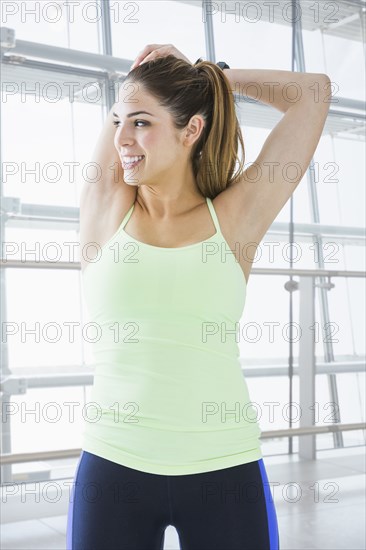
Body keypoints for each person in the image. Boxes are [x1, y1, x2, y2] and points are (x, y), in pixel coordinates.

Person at [67, 44, 330, 549]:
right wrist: (142, 85)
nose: (122, 137)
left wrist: (214, 78)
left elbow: (313, 93)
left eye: (141, 122)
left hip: (223, 472)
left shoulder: (234, 220)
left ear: (192, 130)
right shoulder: (105, 209)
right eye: (117, 120)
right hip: (113, 470)